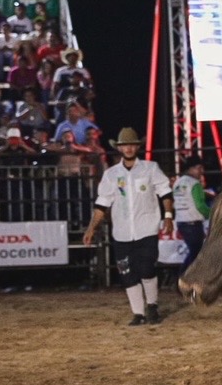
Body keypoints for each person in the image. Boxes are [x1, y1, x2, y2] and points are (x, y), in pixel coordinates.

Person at [83, 127, 174, 326]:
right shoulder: (111, 174)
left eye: (131, 145)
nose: (129, 148)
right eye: (125, 145)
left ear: (136, 147)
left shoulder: (150, 168)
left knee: (147, 267)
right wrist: (92, 228)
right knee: (127, 273)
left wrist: (168, 216)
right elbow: (102, 203)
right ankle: (138, 313)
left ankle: (152, 304)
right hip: (122, 232)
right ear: (120, 148)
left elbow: (165, 192)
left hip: (147, 228)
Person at [172, 155, 212, 273]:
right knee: (196, 253)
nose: (201, 171)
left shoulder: (178, 183)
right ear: (191, 169)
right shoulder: (195, 184)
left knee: (194, 251)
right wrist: (212, 214)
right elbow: (200, 205)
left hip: (181, 221)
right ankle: (183, 277)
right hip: (193, 222)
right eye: (199, 168)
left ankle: (183, 277)